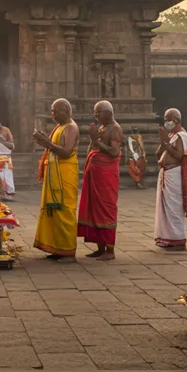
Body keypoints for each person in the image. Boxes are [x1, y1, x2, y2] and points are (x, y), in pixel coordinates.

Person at [32, 99, 80, 260]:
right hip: (54, 174)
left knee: (65, 211)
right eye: (51, 111)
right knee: (52, 211)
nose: (52, 114)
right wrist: (46, 141)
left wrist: (47, 143)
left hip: (64, 174)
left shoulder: (71, 128)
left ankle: (68, 250)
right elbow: (54, 146)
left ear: (66, 111)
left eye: (55, 111)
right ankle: (56, 248)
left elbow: (66, 152)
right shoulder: (60, 127)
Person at [77, 100, 123, 260]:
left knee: (106, 210)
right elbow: (95, 147)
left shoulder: (115, 129)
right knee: (95, 209)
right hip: (96, 175)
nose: (95, 116)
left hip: (106, 176)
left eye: (98, 113)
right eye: (94, 113)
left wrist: (96, 140)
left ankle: (110, 250)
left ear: (108, 113)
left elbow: (114, 152)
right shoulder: (103, 127)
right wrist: (93, 139)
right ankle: (100, 247)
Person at [154, 108, 187, 250]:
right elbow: (162, 151)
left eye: (167, 119)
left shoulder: (182, 135)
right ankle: (167, 238)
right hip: (166, 174)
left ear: (175, 120)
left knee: (174, 208)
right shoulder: (172, 134)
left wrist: (166, 143)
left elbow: (179, 155)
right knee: (165, 209)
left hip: (175, 174)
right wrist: (163, 143)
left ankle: (178, 239)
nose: (165, 122)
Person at [0, 118, 15, 199]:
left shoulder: (6, 130)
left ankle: (9, 193)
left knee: (7, 175)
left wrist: (1, 141)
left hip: (6, 156)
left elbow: (12, 145)